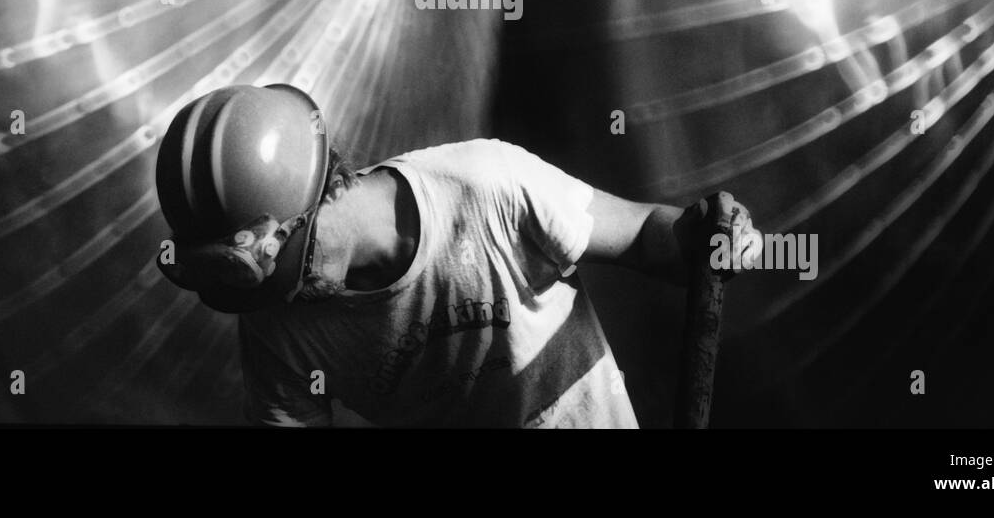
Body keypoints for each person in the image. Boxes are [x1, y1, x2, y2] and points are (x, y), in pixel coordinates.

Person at [154, 83, 762, 427]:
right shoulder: (275, 329)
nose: (282, 299)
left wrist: (703, 235)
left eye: (282, 274)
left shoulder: (489, 186)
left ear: (329, 188)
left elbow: (650, 238)